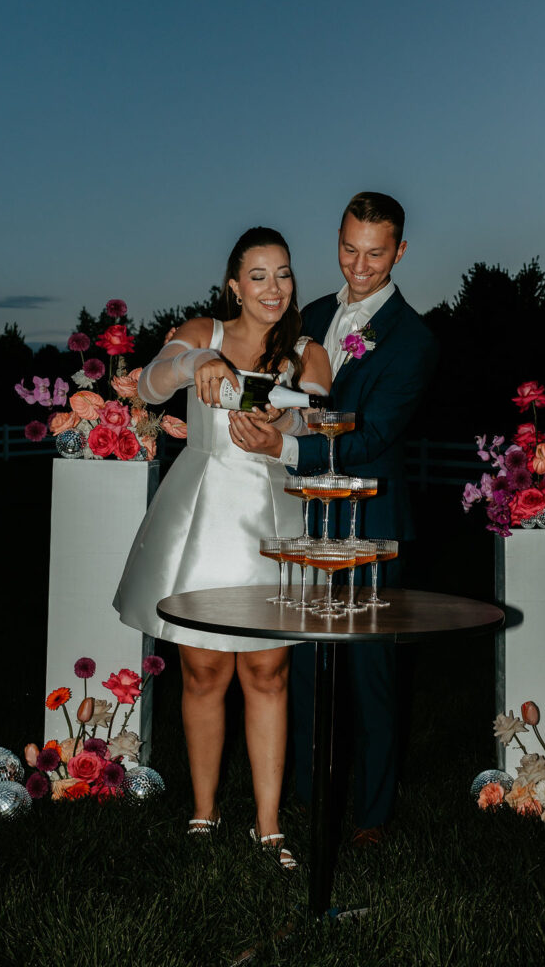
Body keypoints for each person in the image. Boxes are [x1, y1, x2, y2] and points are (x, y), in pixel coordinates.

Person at [114, 227, 332, 867]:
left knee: (268, 671)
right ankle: (203, 814)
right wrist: (196, 364)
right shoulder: (202, 331)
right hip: (202, 514)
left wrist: (283, 425)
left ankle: (269, 827)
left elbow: (320, 429)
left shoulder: (309, 353)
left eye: (284, 273)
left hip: (272, 517)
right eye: (258, 275)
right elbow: (149, 384)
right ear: (234, 284)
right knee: (203, 669)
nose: (274, 287)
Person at [229, 192, 438, 847]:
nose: (359, 265)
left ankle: (371, 815)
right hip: (302, 521)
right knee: (305, 663)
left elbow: (369, 436)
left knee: (369, 673)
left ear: (399, 252)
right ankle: (303, 795)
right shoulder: (311, 315)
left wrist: (283, 446)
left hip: (371, 525)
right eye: (349, 248)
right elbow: (265, 384)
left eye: (375, 253)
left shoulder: (413, 339)